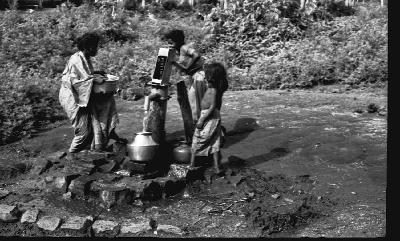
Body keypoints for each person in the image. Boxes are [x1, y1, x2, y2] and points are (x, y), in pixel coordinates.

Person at [59, 32, 126, 154]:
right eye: (95, 47)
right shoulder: (76, 60)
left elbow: (85, 76)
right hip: (73, 98)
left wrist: (96, 73)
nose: (97, 49)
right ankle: (70, 158)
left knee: (90, 128)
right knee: (83, 133)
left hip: (79, 96)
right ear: (87, 47)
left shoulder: (85, 58)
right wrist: (94, 78)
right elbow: (77, 83)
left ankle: (89, 154)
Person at [162, 29, 208, 125]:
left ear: (176, 40)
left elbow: (196, 55)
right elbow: (185, 70)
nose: (169, 45)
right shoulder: (180, 51)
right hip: (193, 77)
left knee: (196, 104)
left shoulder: (184, 47)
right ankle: (200, 128)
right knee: (195, 104)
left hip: (199, 76)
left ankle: (203, 128)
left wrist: (188, 67)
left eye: (171, 42)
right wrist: (174, 62)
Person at [190, 62, 228, 174]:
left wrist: (201, 119)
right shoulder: (213, 88)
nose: (204, 79)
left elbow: (212, 107)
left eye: (206, 77)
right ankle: (216, 167)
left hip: (208, 116)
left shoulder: (213, 90)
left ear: (211, 78)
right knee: (214, 141)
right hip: (212, 116)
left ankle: (192, 165)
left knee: (198, 139)